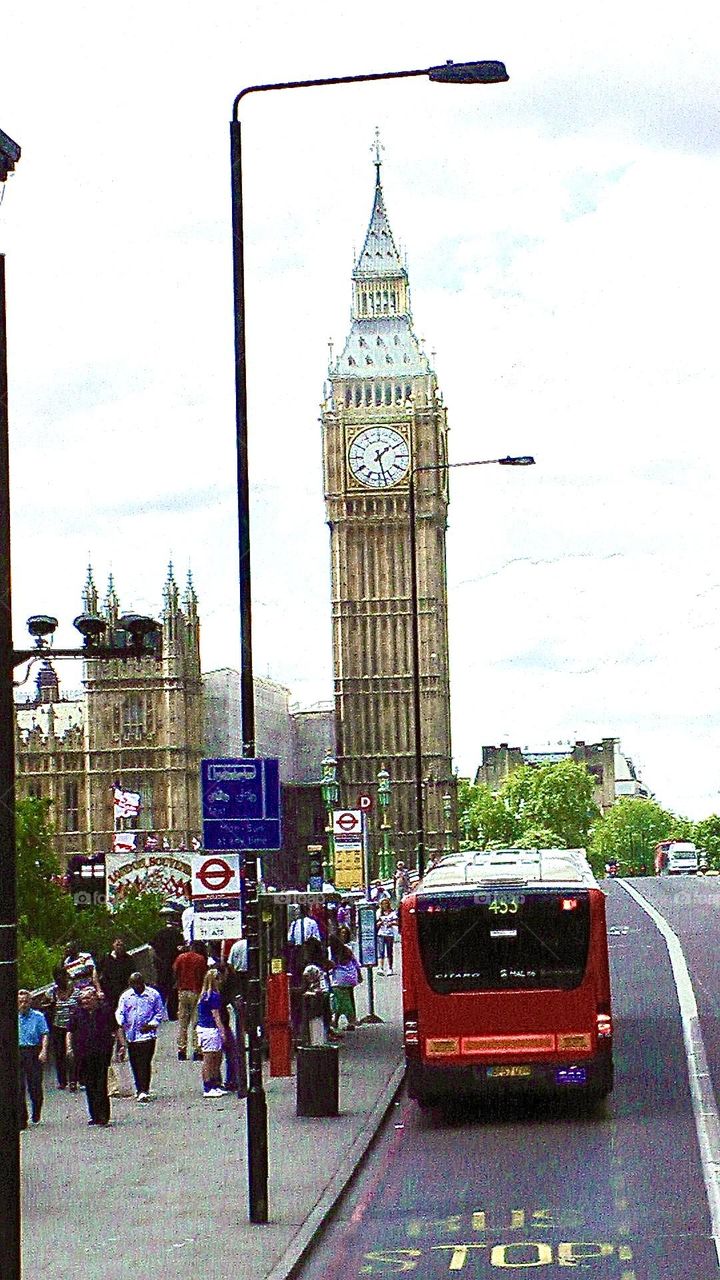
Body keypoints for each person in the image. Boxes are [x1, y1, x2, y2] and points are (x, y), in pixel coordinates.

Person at [67, 986, 118, 1126]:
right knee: (89, 1084)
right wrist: (69, 1048)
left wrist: (122, 1045)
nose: (86, 1001)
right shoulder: (76, 1013)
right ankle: (94, 1115)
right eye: (83, 998)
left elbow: (115, 1028)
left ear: (95, 998)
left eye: (88, 998)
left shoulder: (105, 1011)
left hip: (102, 1053)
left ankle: (103, 1116)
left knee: (101, 1083)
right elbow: (70, 1031)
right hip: (83, 1054)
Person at [115, 972, 165, 1101]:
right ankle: (139, 1087)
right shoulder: (126, 996)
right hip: (131, 1035)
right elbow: (120, 1012)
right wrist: (119, 1024)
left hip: (147, 1034)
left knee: (145, 1062)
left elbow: (159, 1012)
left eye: (138, 983)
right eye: (133, 984)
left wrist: (151, 1025)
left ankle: (144, 1089)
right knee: (135, 1062)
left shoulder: (153, 995)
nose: (136, 986)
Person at [17, 990, 50, 1129]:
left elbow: (45, 1034)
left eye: (25, 1001)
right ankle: (21, 1119)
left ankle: (36, 1109)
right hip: (18, 1051)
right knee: (18, 1086)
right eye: (20, 1002)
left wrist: (43, 1050)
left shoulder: (38, 1016)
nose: (23, 1004)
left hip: (33, 1051)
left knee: (35, 1085)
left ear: (30, 1002)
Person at [172, 943, 207, 1061]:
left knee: (183, 1023)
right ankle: (197, 1050)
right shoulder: (200, 959)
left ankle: (182, 1049)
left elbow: (175, 971)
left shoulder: (180, 958)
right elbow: (203, 975)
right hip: (196, 991)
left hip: (183, 991)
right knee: (196, 1022)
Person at [195, 968, 227, 1098]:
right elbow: (216, 1015)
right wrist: (222, 1030)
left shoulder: (204, 995)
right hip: (210, 1029)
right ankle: (208, 1087)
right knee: (209, 1059)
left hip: (204, 1028)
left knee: (214, 1058)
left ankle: (213, 1084)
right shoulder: (214, 996)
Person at [150, 908, 184, 1017]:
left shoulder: (158, 934)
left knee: (162, 991)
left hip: (162, 967)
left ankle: (158, 1013)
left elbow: (152, 949)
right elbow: (181, 949)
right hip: (174, 966)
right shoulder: (177, 934)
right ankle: (172, 1014)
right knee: (173, 990)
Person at [48, 965, 78, 1091]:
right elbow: (46, 1006)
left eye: (62, 976)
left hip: (74, 1027)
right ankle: (62, 1081)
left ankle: (74, 1079)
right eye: (57, 977)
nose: (59, 979)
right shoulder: (52, 992)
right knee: (59, 1054)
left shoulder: (75, 990)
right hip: (58, 1026)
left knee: (73, 1053)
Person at [328, 933, 362, 1033]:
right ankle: (337, 1021)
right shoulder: (346, 949)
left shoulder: (332, 951)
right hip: (351, 976)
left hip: (339, 978)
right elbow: (355, 962)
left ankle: (351, 1020)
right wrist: (359, 975)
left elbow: (332, 965)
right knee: (345, 998)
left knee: (339, 1000)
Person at [96, 936, 133, 1013]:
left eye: (121, 945)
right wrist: (99, 990)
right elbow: (96, 974)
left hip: (124, 991)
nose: (119, 947)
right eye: (117, 945)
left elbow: (132, 975)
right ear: (113, 945)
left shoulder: (128, 959)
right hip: (108, 993)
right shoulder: (105, 958)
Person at [376, 896, 398, 975]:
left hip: (389, 934)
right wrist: (380, 923)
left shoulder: (392, 912)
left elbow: (397, 922)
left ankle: (390, 968)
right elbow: (376, 924)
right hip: (381, 934)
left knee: (389, 951)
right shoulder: (379, 912)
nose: (385, 905)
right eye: (383, 904)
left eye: (386, 903)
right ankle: (381, 968)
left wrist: (391, 923)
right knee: (381, 951)